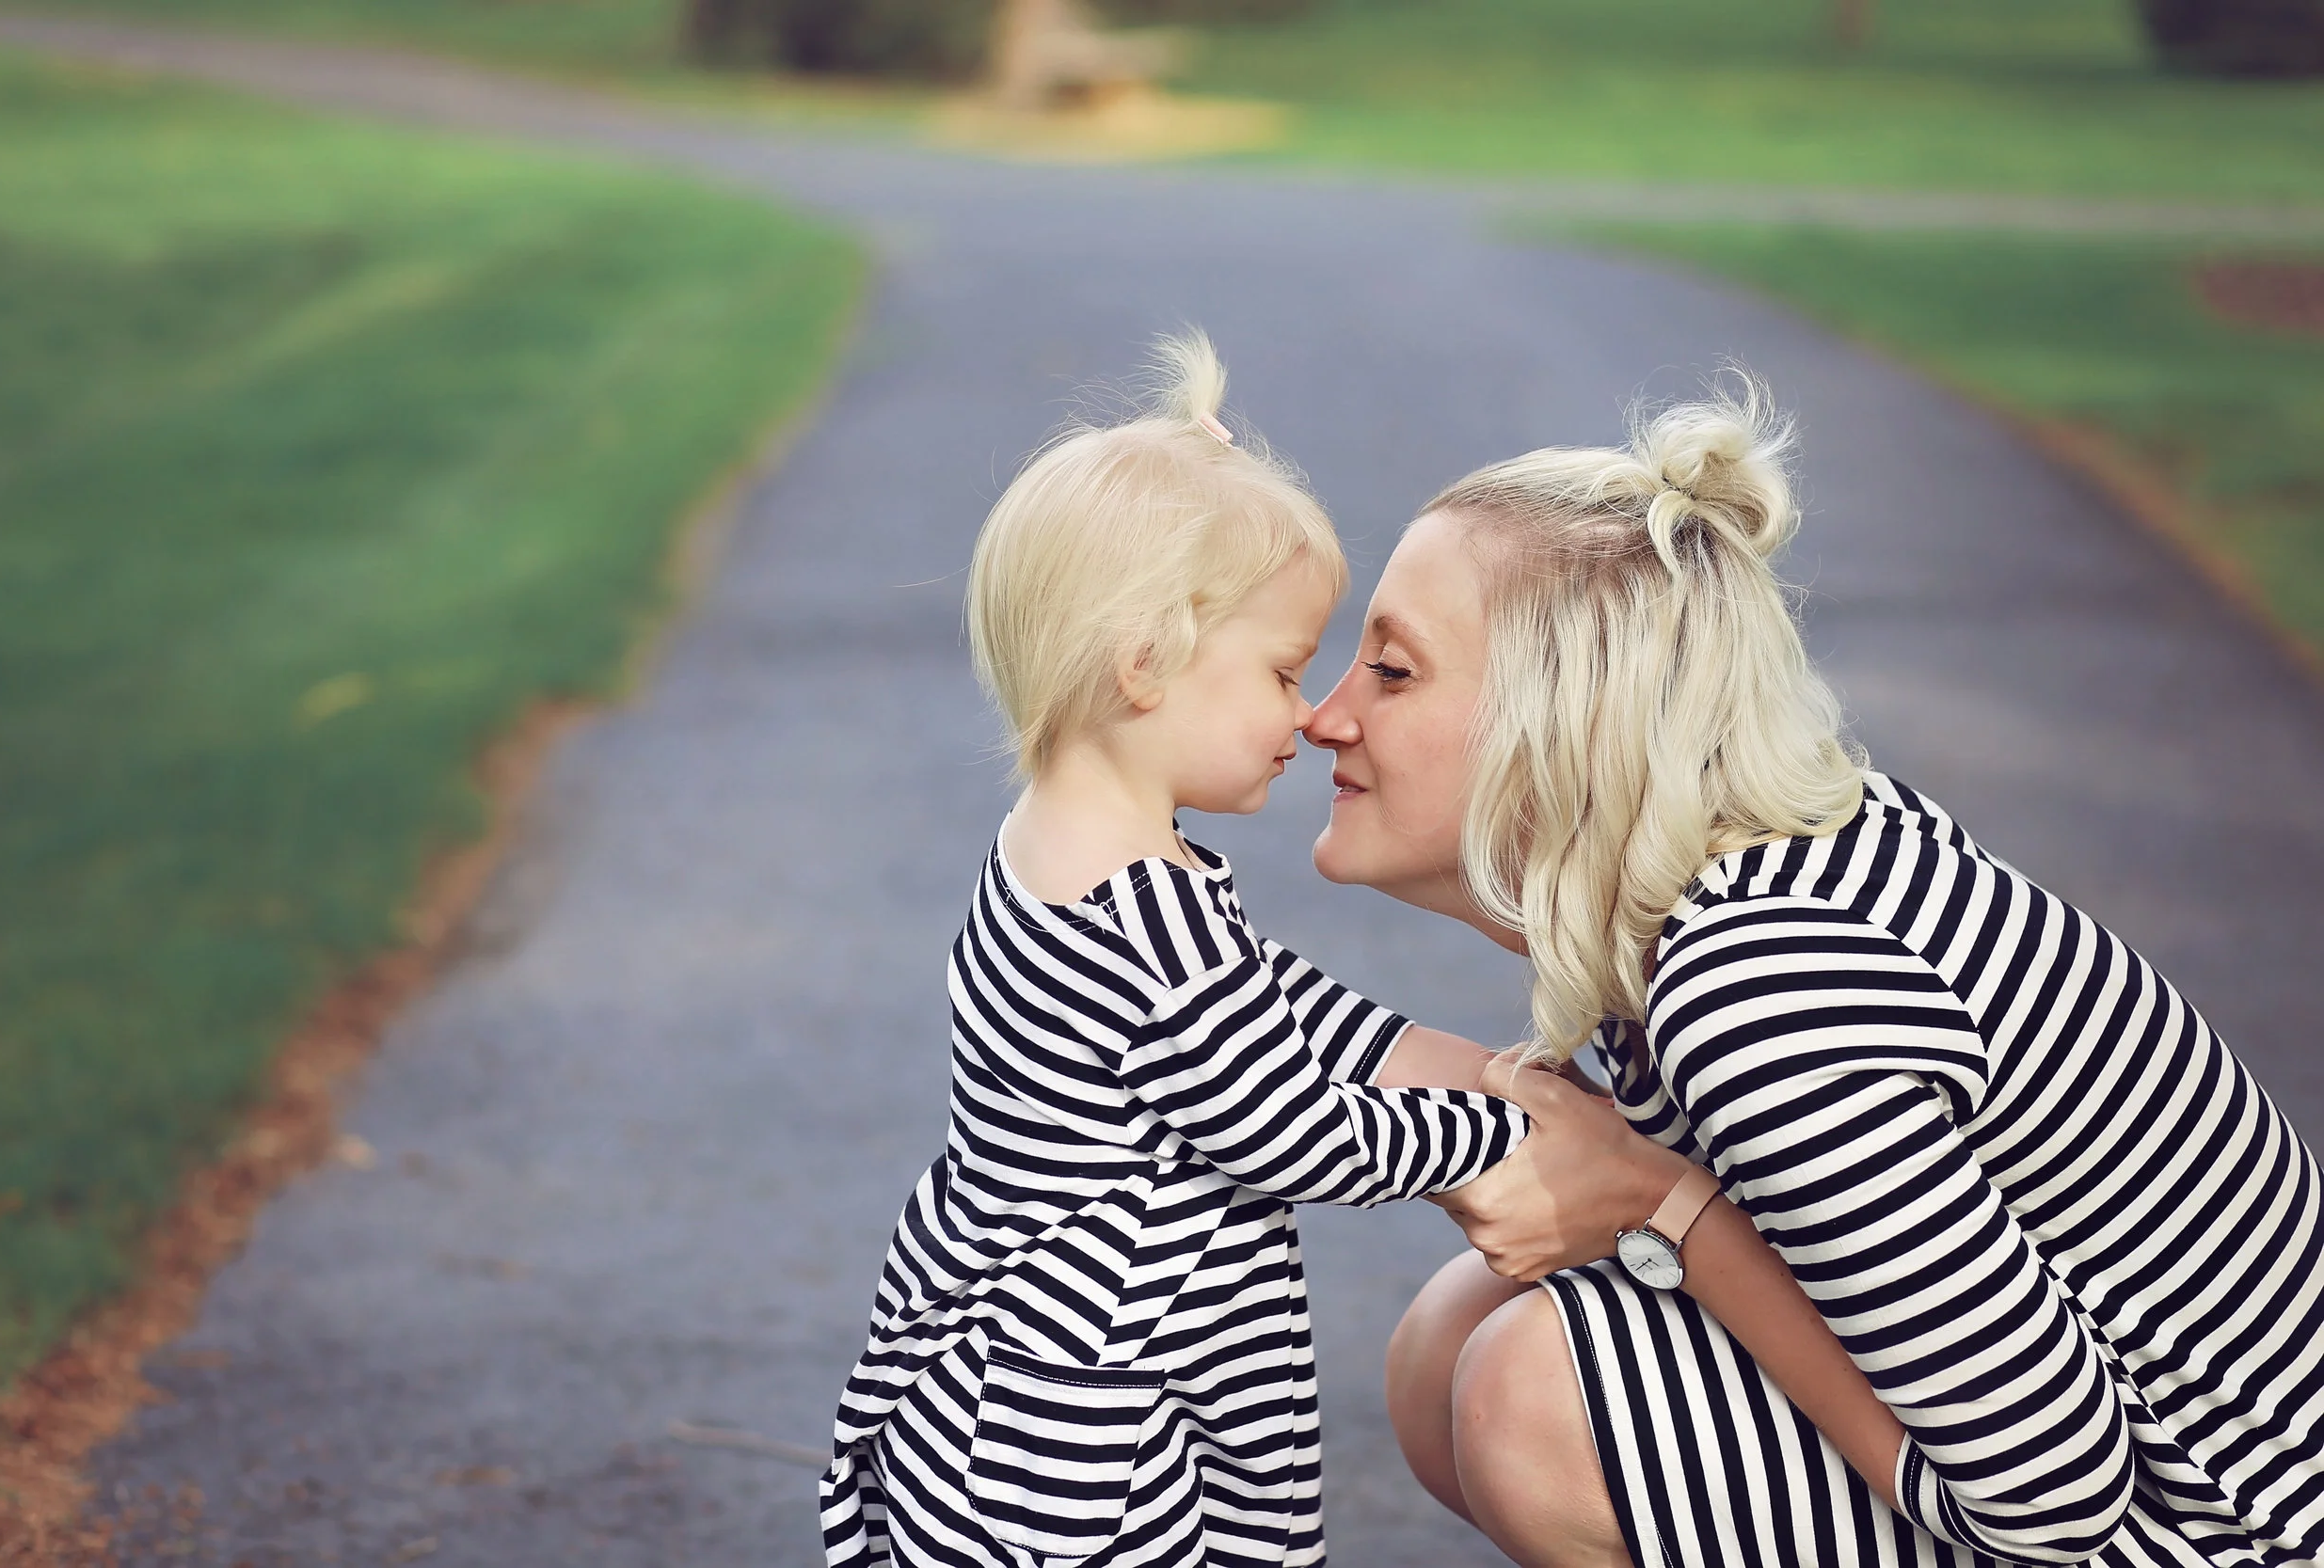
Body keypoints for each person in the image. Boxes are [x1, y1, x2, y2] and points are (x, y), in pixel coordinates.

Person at [1308, 381, 2324, 1567]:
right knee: (1453, 1330)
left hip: (2227, 1530)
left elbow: (2050, 1499)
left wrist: (1656, 1201)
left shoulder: (1757, 985)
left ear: (1561, 719)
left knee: (1531, 1394)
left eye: (1392, 671)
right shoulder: (1748, 878)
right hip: (2170, 1495)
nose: (1326, 716)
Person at [818, 333, 1531, 1568]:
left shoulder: (1055, 846)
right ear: (1144, 663)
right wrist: (1495, 1134)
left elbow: (1258, 1004)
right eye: (1283, 670)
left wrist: (1430, 1053)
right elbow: (1289, 1130)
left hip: (1022, 1343)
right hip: (1101, 1408)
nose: (1309, 713)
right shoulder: (1142, 905)